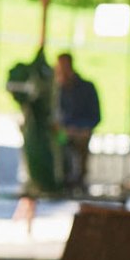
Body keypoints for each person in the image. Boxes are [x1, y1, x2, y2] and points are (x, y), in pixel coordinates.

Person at [53, 53, 100, 194]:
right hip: (62, 131)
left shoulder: (86, 88)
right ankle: (61, 177)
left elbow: (95, 116)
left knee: (81, 142)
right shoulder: (56, 90)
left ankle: (79, 179)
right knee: (59, 141)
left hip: (81, 130)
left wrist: (79, 128)